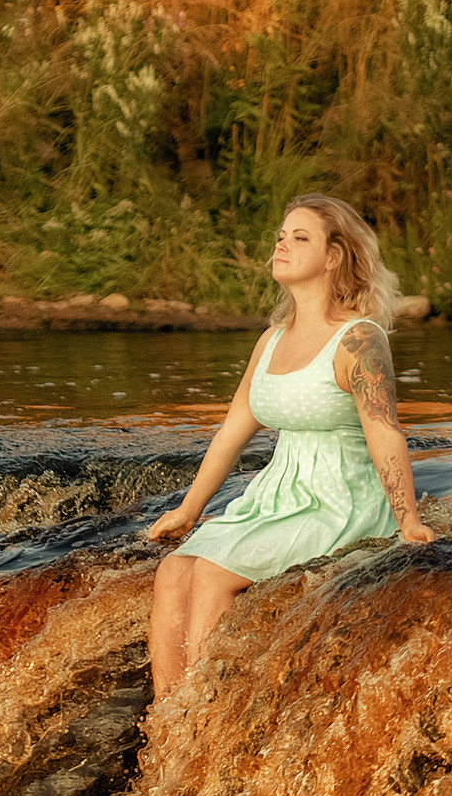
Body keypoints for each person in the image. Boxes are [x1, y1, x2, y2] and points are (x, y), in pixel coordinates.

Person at [145, 194, 436, 703]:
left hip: (340, 497)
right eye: (282, 235)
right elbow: (234, 429)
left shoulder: (359, 339)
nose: (283, 243)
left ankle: (206, 714)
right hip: (276, 496)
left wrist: (407, 518)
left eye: (301, 238)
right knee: (174, 570)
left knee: (212, 575)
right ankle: (171, 715)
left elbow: (385, 431)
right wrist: (188, 511)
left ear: (334, 257)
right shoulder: (272, 339)